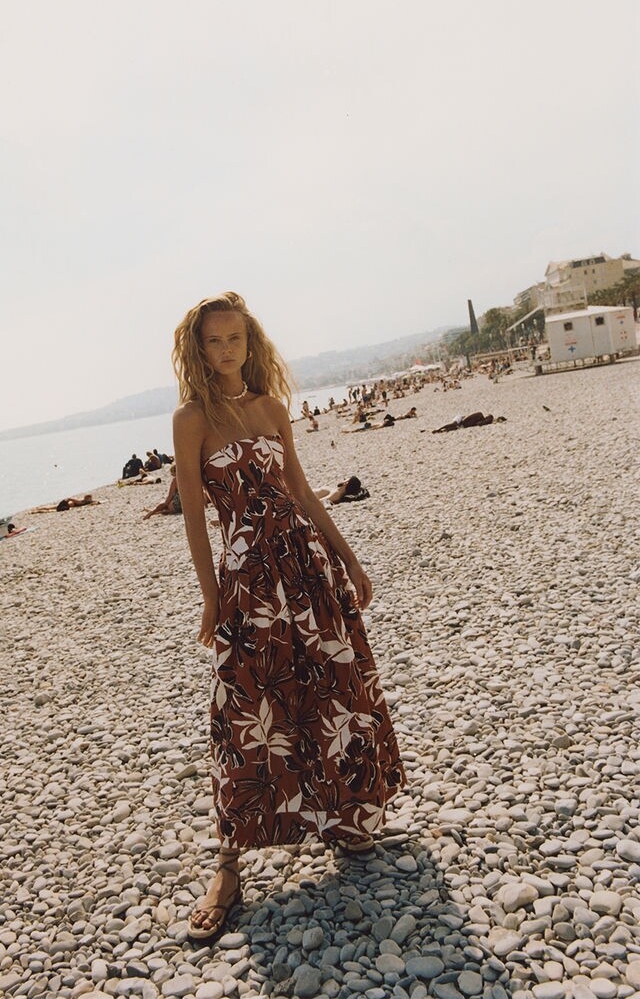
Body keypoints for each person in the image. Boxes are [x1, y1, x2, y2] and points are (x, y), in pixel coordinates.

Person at [172, 291, 406, 942]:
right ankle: (228, 866)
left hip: (307, 568)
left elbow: (301, 491)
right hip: (248, 581)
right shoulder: (191, 419)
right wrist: (211, 595)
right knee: (244, 710)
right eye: (214, 341)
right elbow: (194, 516)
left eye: (235, 339)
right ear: (198, 349)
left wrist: (348, 558)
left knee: (333, 691)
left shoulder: (272, 407)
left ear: (250, 343)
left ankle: (346, 816)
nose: (225, 350)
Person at [30, 494, 98, 513]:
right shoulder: (81, 501)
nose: (91, 499)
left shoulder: (87, 502)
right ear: (86, 498)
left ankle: (38, 509)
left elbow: (95, 502)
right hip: (65, 505)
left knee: (51, 508)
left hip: (66, 504)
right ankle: (38, 509)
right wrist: (67, 502)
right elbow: (70, 499)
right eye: (90, 498)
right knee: (51, 508)